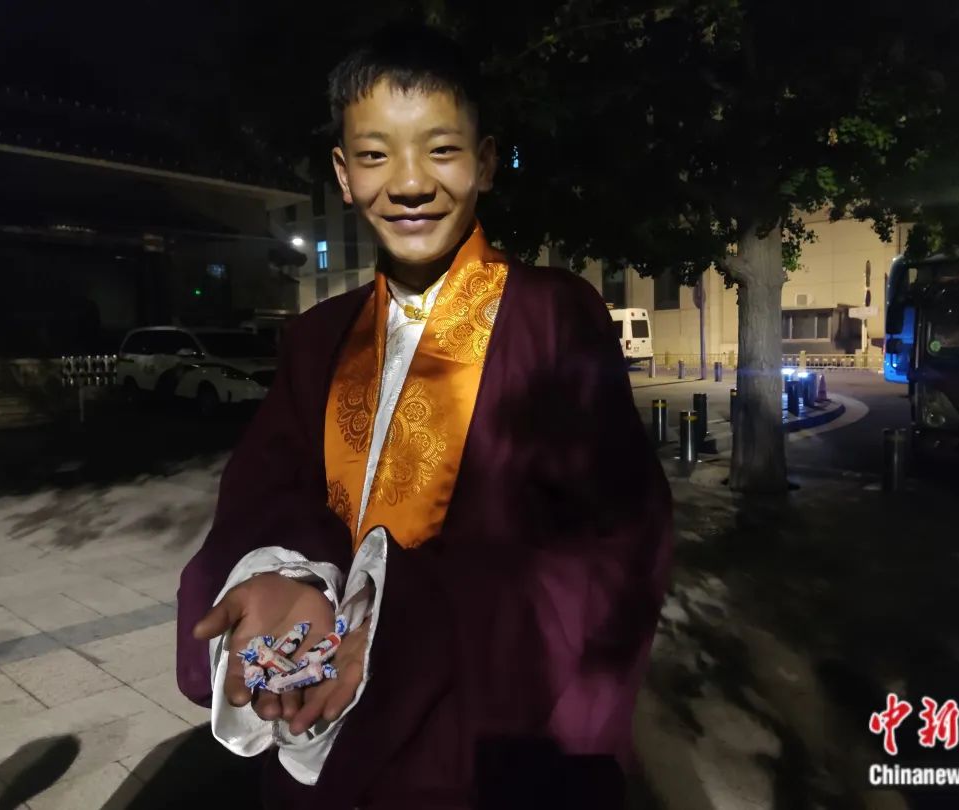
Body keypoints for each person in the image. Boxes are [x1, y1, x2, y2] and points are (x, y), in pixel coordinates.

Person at [176, 23, 671, 809]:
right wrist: (282, 573)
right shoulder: (317, 338)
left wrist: (401, 623)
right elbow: (267, 489)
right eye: (375, 155)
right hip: (324, 704)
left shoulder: (551, 316)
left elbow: (615, 538)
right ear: (343, 175)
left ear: (486, 161)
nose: (409, 184)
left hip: (476, 731)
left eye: (441, 150)